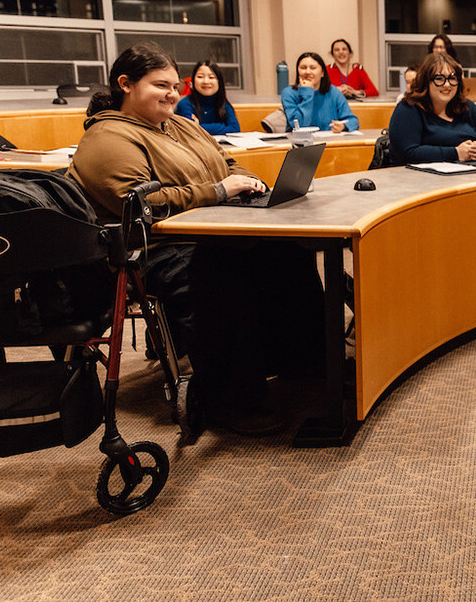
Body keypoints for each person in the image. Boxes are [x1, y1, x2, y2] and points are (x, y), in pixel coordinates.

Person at [68, 43, 325, 435]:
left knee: (288, 251)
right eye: (160, 85)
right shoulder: (105, 139)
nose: (172, 94)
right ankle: (232, 402)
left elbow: (225, 162)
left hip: (208, 231)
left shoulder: (181, 124)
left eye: (175, 85)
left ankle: (302, 364)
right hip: (152, 249)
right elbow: (143, 204)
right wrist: (220, 191)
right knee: (226, 273)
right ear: (125, 84)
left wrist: (247, 181)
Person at [388, 51, 476, 166]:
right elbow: (407, 153)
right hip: (417, 179)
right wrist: (456, 153)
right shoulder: (408, 108)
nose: (447, 85)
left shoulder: (467, 107)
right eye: (439, 79)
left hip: (466, 175)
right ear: (426, 81)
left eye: (452, 78)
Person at [281, 51, 359, 133]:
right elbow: (299, 126)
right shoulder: (289, 93)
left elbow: (353, 120)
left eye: (313, 68)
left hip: (330, 141)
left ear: (322, 73)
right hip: (300, 143)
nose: (307, 72)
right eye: (303, 68)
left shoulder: (333, 92)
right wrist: (307, 93)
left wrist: (343, 126)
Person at [174, 60, 241, 136]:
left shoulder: (223, 104)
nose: (206, 81)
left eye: (211, 77)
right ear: (193, 81)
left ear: (219, 82)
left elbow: (235, 129)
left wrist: (200, 127)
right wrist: (222, 126)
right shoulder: (185, 104)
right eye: (200, 77)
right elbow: (190, 130)